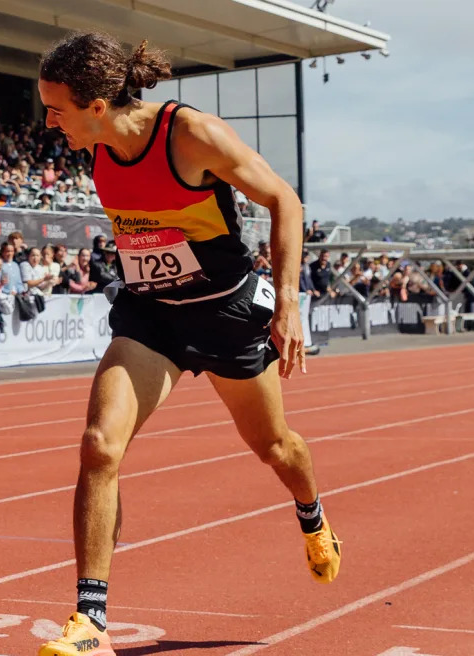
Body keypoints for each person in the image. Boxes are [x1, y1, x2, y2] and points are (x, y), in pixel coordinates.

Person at [35, 33, 340, 656]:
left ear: (97, 104)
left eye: (56, 108)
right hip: (152, 316)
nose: (48, 121)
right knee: (99, 445)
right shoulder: (93, 147)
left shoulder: (190, 135)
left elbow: (284, 199)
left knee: (275, 448)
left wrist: (287, 303)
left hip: (223, 313)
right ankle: (90, 622)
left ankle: (312, 515)